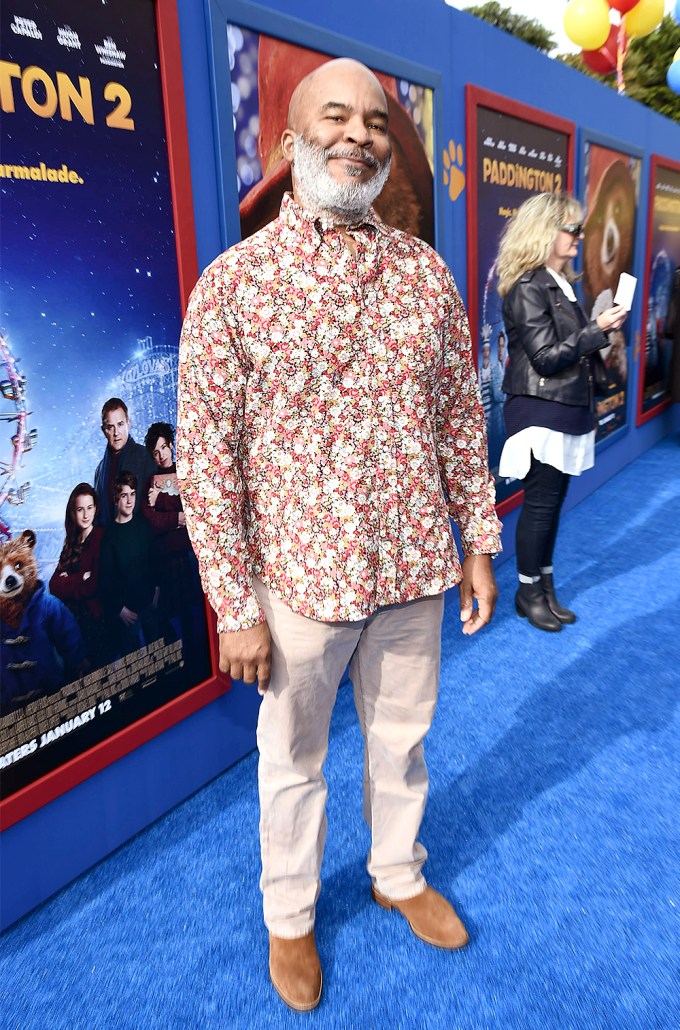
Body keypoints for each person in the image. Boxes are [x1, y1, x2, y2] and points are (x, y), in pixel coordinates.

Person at [177, 58, 501, 1013]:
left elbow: (455, 417)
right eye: (336, 116)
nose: (359, 134)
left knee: (403, 739)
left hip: (412, 567)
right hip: (299, 586)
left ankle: (398, 872)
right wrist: (235, 608)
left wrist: (477, 540)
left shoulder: (423, 275)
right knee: (294, 759)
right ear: (290, 141)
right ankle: (290, 917)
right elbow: (207, 461)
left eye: (374, 122)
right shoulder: (234, 286)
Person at [496, 193, 627, 632]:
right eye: (572, 228)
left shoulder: (560, 283)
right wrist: (597, 330)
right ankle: (527, 592)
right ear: (545, 231)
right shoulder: (527, 286)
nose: (579, 237)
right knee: (540, 506)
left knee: (552, 506)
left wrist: (600, 330)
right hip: (540, 410)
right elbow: (546, 357)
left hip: (567, 407)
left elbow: (570, 350)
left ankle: (544, 588)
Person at [142, 422, 208, 665]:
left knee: (197, 609)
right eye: (156, 452)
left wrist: (164, 500)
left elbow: (193, 506)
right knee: (176, 613)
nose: (161, 456)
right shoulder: (151, 482)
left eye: (164, 448)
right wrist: (176, 517)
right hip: (167, 558)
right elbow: (152, 520)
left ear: (171, 446)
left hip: (190, 553)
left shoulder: (185, 472)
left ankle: (203, 655)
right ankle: (188, 660)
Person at [99, 472, 162, 658]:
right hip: (128, 612)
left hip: (149, 602)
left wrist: (157, 588)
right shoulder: (109, 537)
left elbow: (154, 560)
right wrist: (119, 609)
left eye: (132, 494)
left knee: (158, 653)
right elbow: (105, 581)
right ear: (116, 499)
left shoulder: (143, 526)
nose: (129, 500)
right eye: (124, 495)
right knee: (133, 661)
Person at [49, 483, 108, 667]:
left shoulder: (100, 537)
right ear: (72, 513)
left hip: (95, 620)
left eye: (89, 508)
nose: (85, 515)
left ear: (96, 508)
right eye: (80, 509)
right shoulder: (71, 541)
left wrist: (70, 581)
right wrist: (80, 578)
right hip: (73, 621)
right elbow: (54, 585)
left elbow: (94, 584)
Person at [94, 398, 156, 525]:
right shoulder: (99, 470)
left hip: (138, 538)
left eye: (120, 424)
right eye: (110, 427)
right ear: (103, 430)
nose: (116, 433)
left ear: (128, 423)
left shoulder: (145, 456)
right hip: (107, 539)